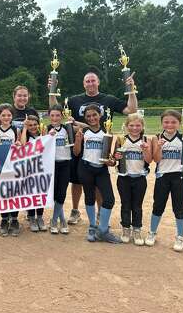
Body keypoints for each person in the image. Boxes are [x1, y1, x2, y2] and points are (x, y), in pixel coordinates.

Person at [49, 68, 137, 225]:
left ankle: (99, 213)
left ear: (98, 82)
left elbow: (131, 110)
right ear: (83, 84)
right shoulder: (74, 100)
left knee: (97, 182)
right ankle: (75, 211)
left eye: (93, 80)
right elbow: (56, 110)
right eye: (87, 81)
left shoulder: (108, 99)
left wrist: (131, 90)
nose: (90, 83)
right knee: (76, 181)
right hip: (79, 144)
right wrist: (52, 91)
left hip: (99, 146)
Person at [145, 110, 183, 252]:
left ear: (179, 124)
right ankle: (152, 232)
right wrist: (159, 146)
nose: (170, 124)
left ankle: (180, 237)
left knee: (179, 207)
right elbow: (156, 159)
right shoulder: (156, 138)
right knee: (158, 206)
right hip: (162, 176)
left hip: (178, 176)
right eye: (166, 122)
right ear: (162, 123)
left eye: (174, 122)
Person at [73, 104, 121, 243]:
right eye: (88, 116)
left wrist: (112, 162)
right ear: (85, 118)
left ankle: (103, 230)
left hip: (101, 169)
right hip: (85, 168)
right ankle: (93, 226)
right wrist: (77, 140)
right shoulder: (84, 131)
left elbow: (110, 156)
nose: (92, 118)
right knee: (89, 197)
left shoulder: (107, 131)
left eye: (94, 115)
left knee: (109, 199)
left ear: (100, 115)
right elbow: (76, 152)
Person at [114, 113, 152, 245]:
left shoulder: (146, 140)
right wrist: (116, 156)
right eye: (131, 125)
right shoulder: (121, 139)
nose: (134, 128)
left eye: (138, 125)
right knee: (125, 204)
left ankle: (137, 229)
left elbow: (149, 160)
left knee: (137, 206)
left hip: (140, 178)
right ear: (126, 126)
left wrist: (146, 150)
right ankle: (125, 229)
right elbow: (114, 157)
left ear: (142, 126)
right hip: (124, 178)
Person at [0, 103, 21, 237]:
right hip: (0, 166)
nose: (6, 117)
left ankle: (15, 219)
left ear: (12, 116)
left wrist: (18, 144)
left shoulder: (16, 129)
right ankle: (4, 219)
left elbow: (21, 145)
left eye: (9, 115)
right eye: (3, 115)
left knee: (14, 192)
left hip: (12, 165)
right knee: (3, 193)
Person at [46, 104, 73, 235]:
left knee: (62, 193)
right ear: (49, 116)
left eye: (58, 115)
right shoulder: (45, 128)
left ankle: (55, 220)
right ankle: (62, 220)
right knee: (55, 194)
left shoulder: (67, 128)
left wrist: (73, 122)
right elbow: (40, 145)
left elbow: (85, 128)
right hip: (51, 165)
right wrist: (48, 136)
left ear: (62, 116)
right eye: (52, 115)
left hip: (65, 163)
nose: (55, 118)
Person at [20, 115, 47, 232]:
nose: (33, 127)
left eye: (35, 124)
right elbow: (22, 145)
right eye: (30, 125)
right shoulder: (26, 135)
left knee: (41, 193)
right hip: (29, 169)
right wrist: (25, 128)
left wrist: (46, 135)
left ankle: (40, 217)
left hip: (41, 169)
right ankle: (31, 217)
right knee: (31, 194)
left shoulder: (42, 135)